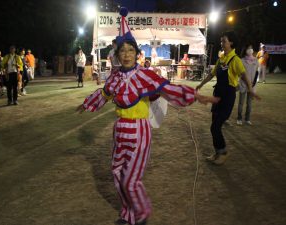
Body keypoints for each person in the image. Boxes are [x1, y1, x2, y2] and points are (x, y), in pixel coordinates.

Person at [76, 7, 219, 225]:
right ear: (117, 54)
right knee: (117, 174)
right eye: (122, 51)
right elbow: (103, 94)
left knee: (130, 180)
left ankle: (141, 215)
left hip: (139, 131)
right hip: (120, 130)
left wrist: (195, 95)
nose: (126, 55)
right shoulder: (114, 77)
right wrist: (87, 104)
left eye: (130, 51)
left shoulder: (145, 75)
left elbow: (167, 89)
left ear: (136, 53)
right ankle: (128, 214)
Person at [196, 31, 260, 165]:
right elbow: (211, 75)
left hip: (228, 96)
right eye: (221, 41)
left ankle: (224, 152)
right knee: (213, 126)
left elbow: (244, 75)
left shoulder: (235, 60)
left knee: (216, 127)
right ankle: (217, 152)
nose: (222, 43)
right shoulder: (221, 59)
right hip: (218, 94)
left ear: (231, 42)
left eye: (224, 41)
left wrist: (250, 89)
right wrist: (200, 85)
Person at [237, 45, 259, 125]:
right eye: (248, 48)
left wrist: (253, 83)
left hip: (252, 85)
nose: (250, 50)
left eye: (251, 48)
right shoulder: (241, 60)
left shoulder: (256, 61)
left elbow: (257, 72)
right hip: (243, 84)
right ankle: (239, 118)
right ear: (245, 50)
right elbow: (240, 74)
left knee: (249, 104)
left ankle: (247, 119)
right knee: (241, 103)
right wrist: (246, 82)